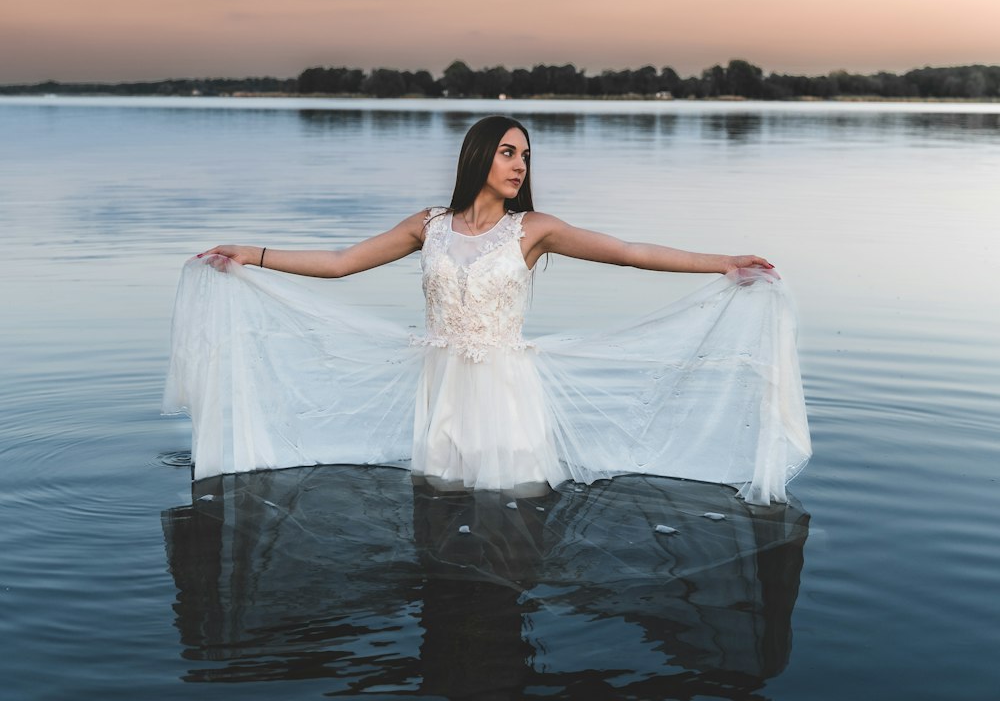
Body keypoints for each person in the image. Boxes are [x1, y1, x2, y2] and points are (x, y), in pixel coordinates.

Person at [165, 116, 810, 502]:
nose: (520, 165)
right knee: (441, 505)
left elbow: (629, 251)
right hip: (440, 388)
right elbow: (341, 262)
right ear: (477, 156)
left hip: (506, 392)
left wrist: (723, 262)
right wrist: (253, 252)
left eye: (526, 156)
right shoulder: (430, 225)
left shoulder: (534, 230)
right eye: (508, 152)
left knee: (511, 512)